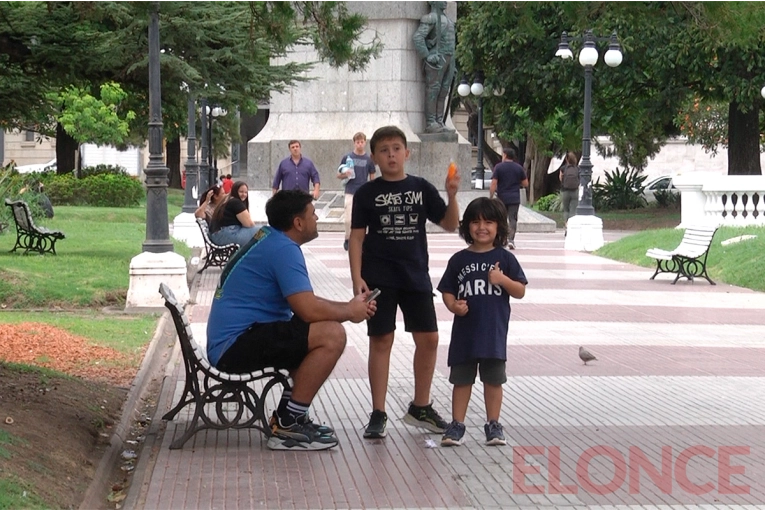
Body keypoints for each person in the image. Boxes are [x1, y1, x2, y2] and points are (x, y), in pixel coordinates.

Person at [206, 190, 377, 451]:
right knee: (332, 335)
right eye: (312, 214)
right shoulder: (284, 249)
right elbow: (308, 310)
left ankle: (291, 416)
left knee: (313, 338)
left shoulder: (271, 239)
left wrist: (348, 308)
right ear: (298, 223)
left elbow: (304, 302)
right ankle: (288, 425)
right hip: (234, 347)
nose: (317, 217)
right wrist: (349, 313)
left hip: (235, 340)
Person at [349, 125, 460, 439]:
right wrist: (357, 278)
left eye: (397, 148)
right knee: (381, 341)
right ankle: (378, 412)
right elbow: (357, 239)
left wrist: (451, 195)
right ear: (374, 157)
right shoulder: (366, 193)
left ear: (407, 153)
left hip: (415, 276)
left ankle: (420, 407)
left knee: (429, 339)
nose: (391, 155)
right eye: (384, 150)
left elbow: (451, 225)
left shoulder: (422, 188)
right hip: (378, 279)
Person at [436, 197, 527, 447]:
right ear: (467, 227)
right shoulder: (458, 260)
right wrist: (453, 305)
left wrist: (502, 280)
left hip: (493, 334)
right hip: (465, 333)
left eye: (489, 222)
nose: (482, 227)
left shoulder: (505, 258)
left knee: (494, 380)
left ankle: (493, 424)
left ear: (499, 227)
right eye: (475, 222)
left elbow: (520, 290)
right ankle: (456, 425)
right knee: (461, 380)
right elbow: (446, 289)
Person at [412, 0, 456, 134]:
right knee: (434, 90)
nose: (445, 2)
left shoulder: (447, 20)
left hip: (449, 59)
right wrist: (427, 55)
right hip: (437, 59)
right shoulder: (430, 18)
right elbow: (418, 37)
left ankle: (440, 121)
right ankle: (431, 122)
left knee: (443, 91)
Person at [336, 132, 376, 251]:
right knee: (348, 218)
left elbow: (372, 175)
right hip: (350, 190)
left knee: (364, 218)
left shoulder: (369, 159)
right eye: (357, 142)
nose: (360, 144)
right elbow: (338, 174)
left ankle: (362, 239)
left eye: (362, 142)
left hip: (363, 192)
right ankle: (347, 238)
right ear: (354, 143)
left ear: (365, 142)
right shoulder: (348, 157)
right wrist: (345, 174)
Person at [489, 148, 528, 250]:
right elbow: (525, 183)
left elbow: (494, 183)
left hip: (501, 197)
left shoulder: (498, 167)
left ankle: (501, 239)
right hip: (514, 198)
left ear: (505, 155)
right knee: (513, 219)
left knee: (500, 219)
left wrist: (491, 196)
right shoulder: (519, 168)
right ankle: (511, 240)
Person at [209, 181, 259, 247]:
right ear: (235, 191)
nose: (244, 194)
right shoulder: (235, 202)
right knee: (263, 232)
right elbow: (249, 224)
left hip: (218, 235)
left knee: (260, 233)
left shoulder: (228, 199)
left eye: (245, 192)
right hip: (224, 235)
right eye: (241, 192)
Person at [559, 152, 580, 235]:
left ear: (566, 159)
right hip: (575, 191)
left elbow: (560, 178)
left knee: (566, 210)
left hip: (565, 191)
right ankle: (571, 227)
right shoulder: (577, 169)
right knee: (573, 210)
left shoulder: (563, 168)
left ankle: (567, 226)